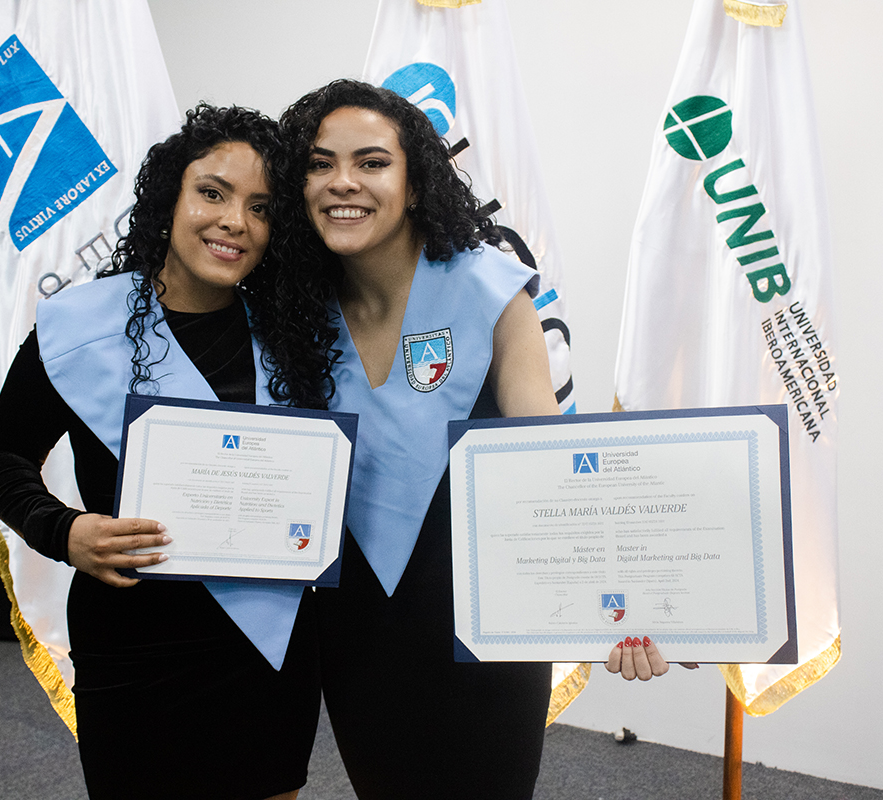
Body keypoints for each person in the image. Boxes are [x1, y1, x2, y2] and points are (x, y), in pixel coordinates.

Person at [279, 80, 683, 799]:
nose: (343, 181)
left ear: (413, 180)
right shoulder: (293, 308)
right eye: (319, 163)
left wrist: (631, 599)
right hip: (357, 628)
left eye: (372, 162)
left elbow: (553, 472)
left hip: (486, 626)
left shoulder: (492, 290)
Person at [0, 104, 338, 800]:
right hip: (133, 640)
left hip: (267, 644)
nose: (234, 220)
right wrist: (65, 530)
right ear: (169, 196)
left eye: (260, 208)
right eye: (212, 192)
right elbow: (2, 455)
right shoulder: (81, 324)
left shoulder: (299, 338)